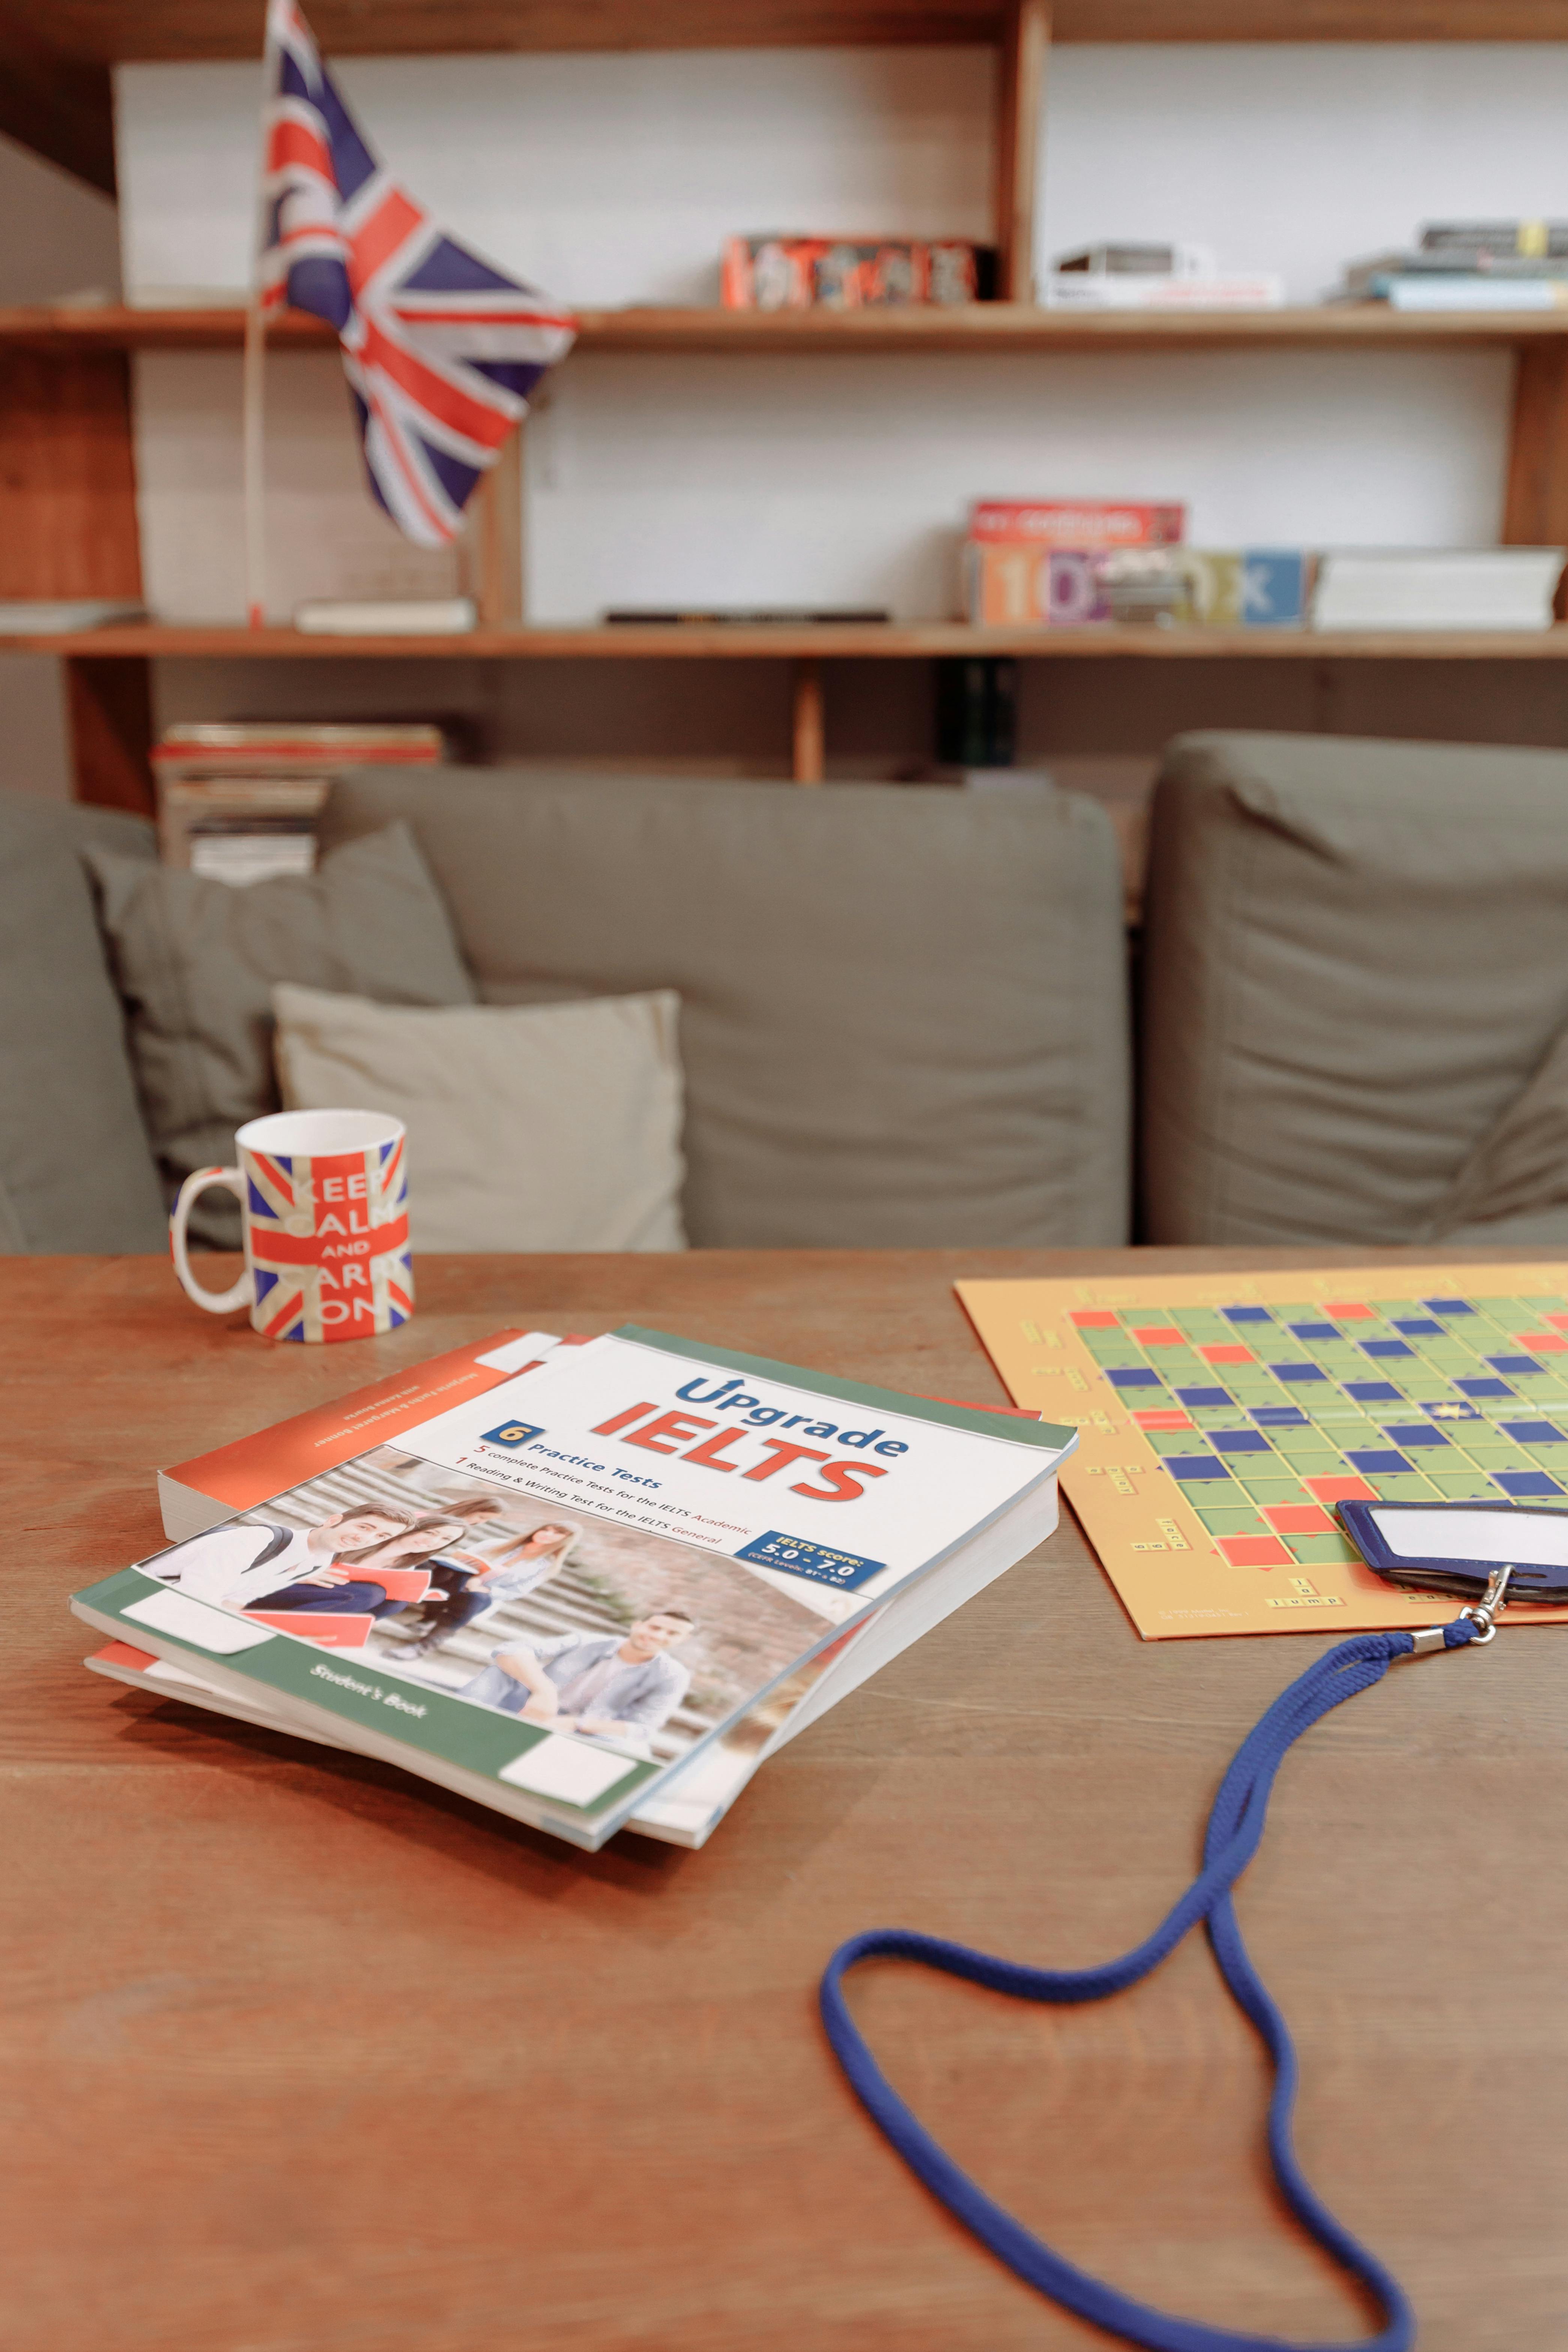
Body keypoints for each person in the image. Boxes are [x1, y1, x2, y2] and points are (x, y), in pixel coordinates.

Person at [459, 1607, 696, 1746]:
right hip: (531, 1703)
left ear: (681, 1641)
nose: (658, 1635)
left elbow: (643, 1728)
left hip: (583, 1729)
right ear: (637, 1625)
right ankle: (458, 1721)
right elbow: (511, 1649)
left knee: (631, 1748)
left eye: (672, 1633)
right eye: (654, 1627)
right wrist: (544, 1691)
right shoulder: (590, 1641)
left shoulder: (673, 1676)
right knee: (498, 1672)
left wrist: (576, 1723)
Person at [158, 1503, 416, 1613]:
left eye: (380, 1536)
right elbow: (196, 1594)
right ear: (333, 1520)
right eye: (364, 1527)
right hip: (157, 1596)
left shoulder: (319, 1561)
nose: (366, 1539)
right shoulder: (258, 1540)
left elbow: (238, 1600)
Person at [399, 1520, 579, 1658]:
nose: (547, 1534)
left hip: (480, 1596)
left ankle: (425, 1646)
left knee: (476, 1598)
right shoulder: (496, 1544)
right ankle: (428, 1618)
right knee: (444, 1573)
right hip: (457, 1582)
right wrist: (468, 1570)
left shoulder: (544, 1566)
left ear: (565, 1541)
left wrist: (487, 1590)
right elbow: (457, 1559)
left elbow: (518, 1591)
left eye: (557, 1534)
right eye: (546, 1529)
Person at [248, 1516, 468, 1620]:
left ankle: (299, 1628)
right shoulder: (364, 1539)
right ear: (415, 1529)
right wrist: (306, 1573)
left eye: (445, 1539)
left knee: (396, 1601)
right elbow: (280, 1560)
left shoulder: (409, 1567)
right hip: (283, 1586)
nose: (434, 1540)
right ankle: (282, 1629)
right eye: (430, 1532)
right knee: (371, 1593)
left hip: (323, 1601)